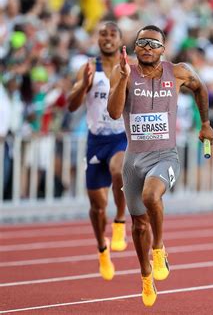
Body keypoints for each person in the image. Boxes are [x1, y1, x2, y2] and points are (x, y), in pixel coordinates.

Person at [107, 25, 213, 307]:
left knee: (151, 196)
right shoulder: (124, 71)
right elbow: (115, 112)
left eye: (153, 43)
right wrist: (122, 79)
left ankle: (159, 248)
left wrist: (205, 123)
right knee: (139, 224)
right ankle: (145, 277)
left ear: (163, 49)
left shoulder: (177, 71)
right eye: (141, 42)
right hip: (134, 159)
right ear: (135, 46)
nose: (146, 47)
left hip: (165, 155)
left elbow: (200, 88)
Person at [67, 22, 127, 281]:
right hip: (95, 141)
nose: (107, 38)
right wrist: (84, 85)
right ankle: (103, 250)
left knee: (120, 170)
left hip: (120, 137)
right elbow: (71, 105)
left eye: (112, 34)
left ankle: (121, 223)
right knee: (98, 206)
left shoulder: (129, 65)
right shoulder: (88, 67)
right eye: (103, 34)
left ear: (120, 39)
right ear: (97, 38)